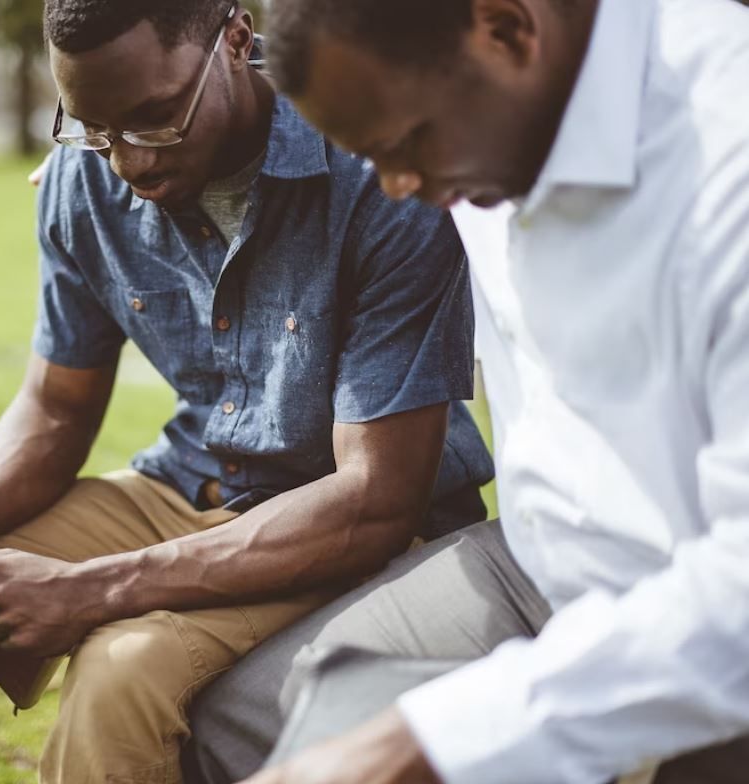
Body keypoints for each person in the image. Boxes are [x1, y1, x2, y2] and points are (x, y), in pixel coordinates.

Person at [0, 1, 496, 782]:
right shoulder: (84, 174)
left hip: (334, 525)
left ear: (236, 41)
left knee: (121, 667)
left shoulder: (372, 170)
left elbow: (374, 499)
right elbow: (55, 405)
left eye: (154, 120)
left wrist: (87, 591)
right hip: (188, 485)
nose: (128, 164)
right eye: (94, 127)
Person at [181, 0, 749, 782]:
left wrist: (435, 740)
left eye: (407, 145)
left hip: (700, 608)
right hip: (537, 565)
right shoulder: (478, 107)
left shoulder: (725, 156)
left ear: (507, 28)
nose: (398, 186)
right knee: (240, 726)